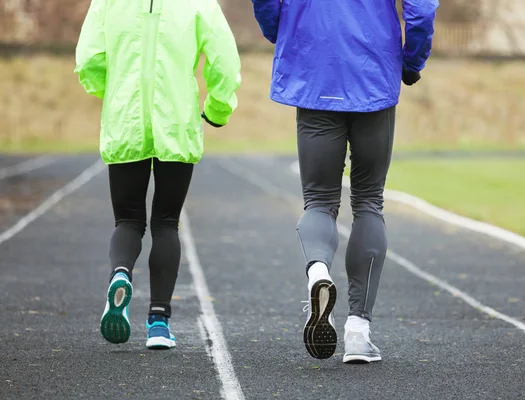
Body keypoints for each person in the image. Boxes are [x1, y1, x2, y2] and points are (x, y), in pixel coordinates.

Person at [252, 0, 438, 362]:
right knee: (369, 201)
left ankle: (318, 271)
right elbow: (422, 8)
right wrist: (413, 60)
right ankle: (358, 332)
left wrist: (287, 32)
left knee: (319, 201)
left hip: (314, 69)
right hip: (373, 73)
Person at [74, 0, 241, 349]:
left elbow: (89, 58)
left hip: (125, 123)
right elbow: (224, 61)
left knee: (127, 221)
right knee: (166, 223)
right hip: (177, 124)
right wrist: (217, 108)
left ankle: (121, 273)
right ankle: (159, 323)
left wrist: (113, 94)